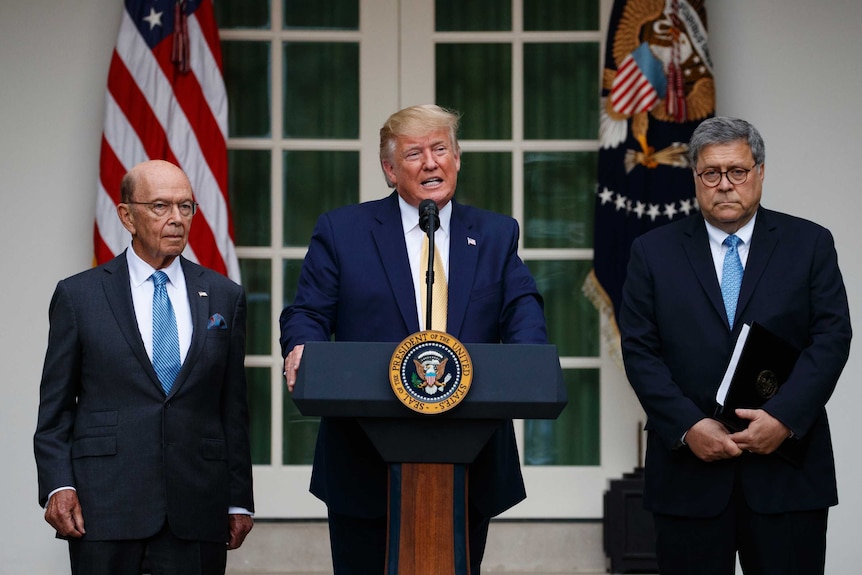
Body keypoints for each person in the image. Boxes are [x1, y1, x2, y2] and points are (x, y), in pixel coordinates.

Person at [280, 104, 547, 574]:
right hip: (363, 460)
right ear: (389, 169)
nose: (430, 163)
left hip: (470, 456)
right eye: (414, 154)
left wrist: (527, 361)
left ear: (457, 158)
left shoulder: (495, 234)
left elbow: (522, 308)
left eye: (440, 149)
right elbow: (307, 312)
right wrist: (301, 344)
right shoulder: (343, 231)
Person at [619, 116, 851, 575]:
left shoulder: (810, 244)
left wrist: (783, 416)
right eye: (711, 173)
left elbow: (832, 337)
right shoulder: (652, 252)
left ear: (760, 172)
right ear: (695, 178)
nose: (725, 185)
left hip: (787, 474)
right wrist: (688, 426)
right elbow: (640, 352)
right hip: (689, 477)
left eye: (738, 172)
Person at [34, 160, 254, 575]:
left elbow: (233, 409)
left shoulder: (225, 296)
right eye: (160, 206)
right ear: (126, 216)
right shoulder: (79, 296)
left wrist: (238, 498)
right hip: (105, 506)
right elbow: (56, 408)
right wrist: (58, 485)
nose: (176, 219)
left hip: (197, 507)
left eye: (185, 207)